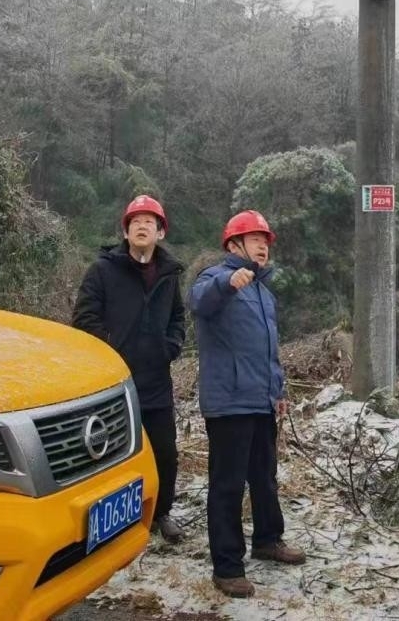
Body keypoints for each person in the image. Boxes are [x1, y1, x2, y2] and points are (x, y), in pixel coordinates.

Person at [188, 210, 306, 598]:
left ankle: (269, 540)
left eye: (265, 240)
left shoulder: (263, 293)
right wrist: (227, 282)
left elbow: (268, 352)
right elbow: (200, 300)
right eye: (254, 238)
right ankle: (227, 566)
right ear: (234, 245)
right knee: (227, 484)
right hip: (228, 403)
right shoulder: (216, 278)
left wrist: (279, 391)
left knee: (264, 476)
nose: (263, 245)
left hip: (260, 401)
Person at [73, 194, 187, 544]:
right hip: (113, 382)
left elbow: (178, 318)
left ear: (160, 233)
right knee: (111, 454)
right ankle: (110, 520)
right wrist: (112, 351)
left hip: (155, 382)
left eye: (149, 222)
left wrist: (170, 346)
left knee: (165, 451)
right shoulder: (103, 270)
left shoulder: (169, 275)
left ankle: (161, 512)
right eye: (135, 221)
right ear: (125, 231)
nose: (142, 226)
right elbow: (84, 318)